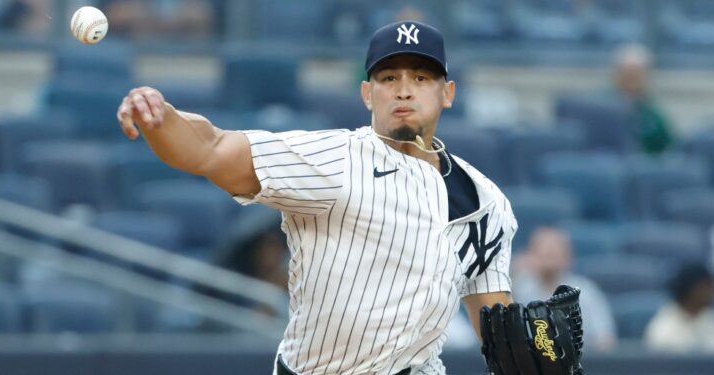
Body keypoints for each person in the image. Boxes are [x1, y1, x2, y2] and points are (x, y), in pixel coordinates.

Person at [117, 21, 519, 374]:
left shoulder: (485, 201)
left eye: (421, 77)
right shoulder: (334, 161)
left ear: (446, 92)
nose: (404, 91)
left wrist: (528, 356)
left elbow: (496, 331)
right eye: (389, 78)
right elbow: (212, 148)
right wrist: (162, 119)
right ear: (367, 93)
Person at [512, 227, 617, 352]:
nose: (548, 260)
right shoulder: (519, 288)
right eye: (542, 253)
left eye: (553, 253)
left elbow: (606, 339)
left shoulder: (585, 292)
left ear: (568, 257)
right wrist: (515, 270)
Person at [612, 43, 675, 154]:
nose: (631, 79)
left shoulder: (654, 115)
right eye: (627, 73)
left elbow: (668, 147)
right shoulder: (600, 107)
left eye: (636, 74)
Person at [644, 263, 714, 353]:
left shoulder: (709, 318)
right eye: (706, 287)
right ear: (691, 289)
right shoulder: (663, 328)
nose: (710, 292)